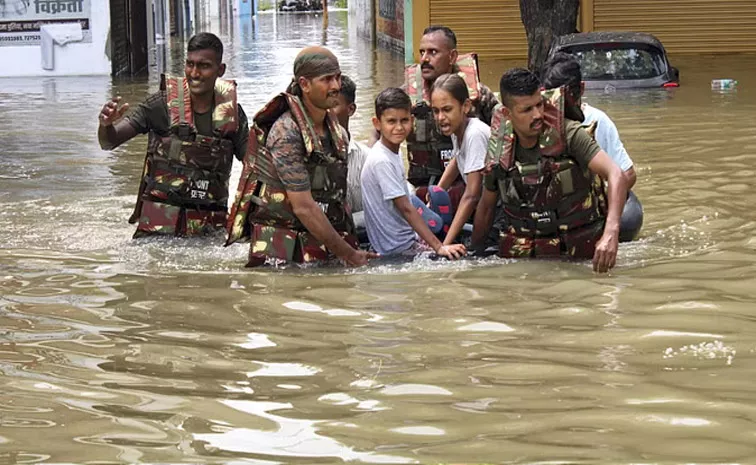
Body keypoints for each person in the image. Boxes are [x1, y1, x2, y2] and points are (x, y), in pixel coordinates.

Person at [225, 47, 376, 267]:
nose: (335, 86)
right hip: (283, 256)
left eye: (337, 78)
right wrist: (350, 255)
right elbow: (303, 206)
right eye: (327, 80)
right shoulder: (286, 131)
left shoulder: (336, 131)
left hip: (322, 249)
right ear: (304, 84)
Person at [471, 69, 628, 273]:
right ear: (508, 114)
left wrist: (611, 232)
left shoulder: (568, 133)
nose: (537, 115)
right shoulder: (499, 149)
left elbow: (617, 175)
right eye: (527, 110)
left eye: (539, 105)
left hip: (580, 248)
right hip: (527, 253)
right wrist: (474, 255)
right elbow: (486, 206)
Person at [98, 32, 249, 238]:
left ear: (220, 70)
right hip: (157, 230)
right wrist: (106, 125)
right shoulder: (160, 105)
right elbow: (110, 142)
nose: (194, 73)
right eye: (190, 64)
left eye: (204, 66)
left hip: (209, 229)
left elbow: (254, 165)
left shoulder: (232, 114)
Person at [541, 52, 642, 241]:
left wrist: (601, 202)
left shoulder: (598, 121)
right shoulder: (535, 121)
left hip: (589, 210)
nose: (560, 105)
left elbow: (627, 175)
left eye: (566, 97)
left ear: (581, 89)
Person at [361, 88, 467, 259]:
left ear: (412, 121)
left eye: (404, 120)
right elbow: (406, 208)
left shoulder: (390, 153)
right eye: (391, 121)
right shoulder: (382, 160)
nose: (398, 127)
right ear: (377, 123)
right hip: (398, 249)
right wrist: (439, 247)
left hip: (405, 241)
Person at [403, 25, 499, 206]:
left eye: (433, 52)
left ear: (452, 57)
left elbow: (503, 126)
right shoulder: (407, 97)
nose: (424, 59)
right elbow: (382, 126)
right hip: (425, 181)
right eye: (422, 52)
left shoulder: (477, 94)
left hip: (468, 179)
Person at [429, 73, 490, 245]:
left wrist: (444, 246)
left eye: (447, 109)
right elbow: (457, 159)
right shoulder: (458, 130)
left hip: (494, 214)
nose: (440, 118)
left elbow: (472, 195)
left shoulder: (474, 134)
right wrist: (435, 193)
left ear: (466, 106)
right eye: (436, 111)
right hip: (483, 208)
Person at [331, 74, 370, 215]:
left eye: (333, 106)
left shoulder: (367, 158)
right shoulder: (308, 157)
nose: (326, 113)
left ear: (350, 109)